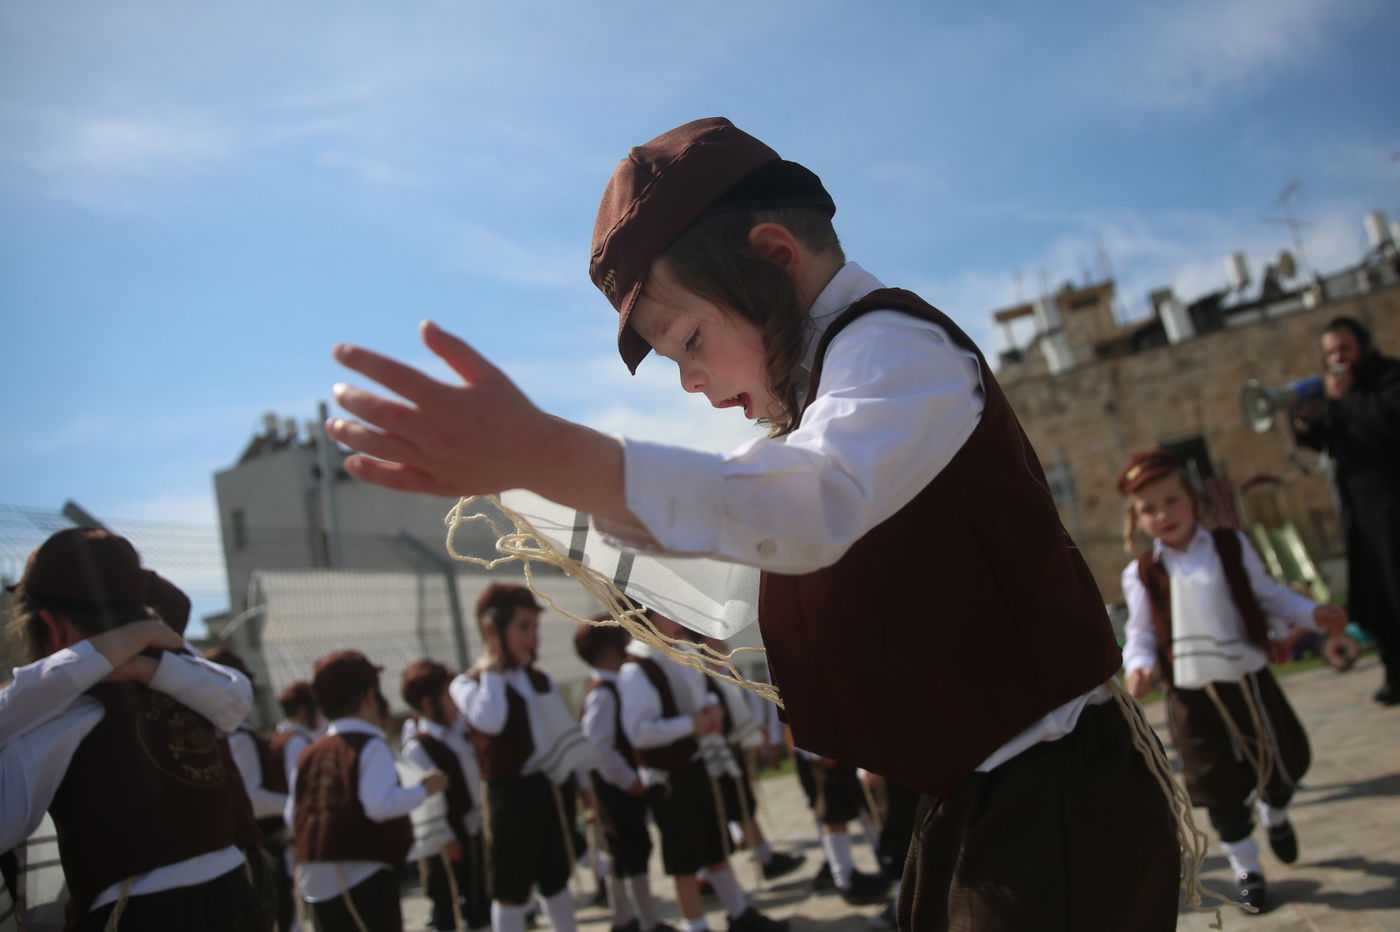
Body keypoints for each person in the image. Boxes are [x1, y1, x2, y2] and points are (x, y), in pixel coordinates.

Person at [327, 116, 1181, 929]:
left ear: (773, 260)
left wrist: (555, 454)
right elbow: (754, 549)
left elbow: (810, 502)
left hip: (1054, 788)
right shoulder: (824, 391)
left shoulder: (893, 348)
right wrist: (545, 483)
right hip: (981, 793)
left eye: (691, 339)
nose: (690, 381)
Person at [1119, 448, 1349, 910]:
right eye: (1150, 509)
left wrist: (1311, 613)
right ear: (1137, 520)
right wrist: (1138, 666)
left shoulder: (1229, 546)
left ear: (1193, 500)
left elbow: (1268, 596)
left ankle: (1276, 813)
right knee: (1217, 784)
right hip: (1191, 693)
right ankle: (1249, 871)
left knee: (1280, 761)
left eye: (1172, 501)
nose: (1164, 515)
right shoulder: (1141, 573)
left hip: (1248, 681)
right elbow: (1140, 632)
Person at [2, 527, 263, 930]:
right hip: (235, 897)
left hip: (139, 913)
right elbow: (236, 696)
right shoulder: (182, 675)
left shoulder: (59, 714)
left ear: (50, 627)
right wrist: (141, 639)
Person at [619, 609, 786, 932]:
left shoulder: (677, 652)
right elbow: (639, 731)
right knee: (685, 863)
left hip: (697, 768)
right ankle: (696, 926)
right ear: (644, 612)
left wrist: (710, 711)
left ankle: (739, 915)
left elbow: (700, 694)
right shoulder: (637, 668)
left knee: (714, 848)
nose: (675, 614)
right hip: (669, 779)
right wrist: (692, 723)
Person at [448, 584, 590, 932]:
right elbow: (490, 720)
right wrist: (493, 666)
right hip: (509, 796)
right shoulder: (468, 684)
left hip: (550, 787)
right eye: (522, 627)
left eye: (534, 627)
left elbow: (562, 737)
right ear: (491, 629)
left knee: (556, 875)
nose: (532, 637)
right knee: (510, 886)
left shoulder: (539, 679)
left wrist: (584, 787)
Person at [288, 650, 448, 932]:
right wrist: (423, 789)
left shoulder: (309, 753)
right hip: (362, 877)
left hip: (315, 882)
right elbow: (379, 804)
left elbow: (293, 815)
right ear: (370, 697)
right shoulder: (369, 745)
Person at [1293, 315, 1400, 705]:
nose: (1338, 358)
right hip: (1359, 509)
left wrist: (1346, 398)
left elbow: (1386, 421)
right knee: (1379, 596)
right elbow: (1327, 442)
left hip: (1393, 501)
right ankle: (1394, 671)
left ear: (1363, 347)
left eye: (1344, 349)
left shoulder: (1387, 378)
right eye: (1330, 353)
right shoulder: (1337, 393)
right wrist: (1307, 425)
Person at [573, 620, 668, 932]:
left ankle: (626, 919)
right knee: (631, 852)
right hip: (616, 789)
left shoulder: (613, 687)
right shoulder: (603, 693)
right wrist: (631, 780)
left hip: (619, 787)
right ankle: (642, 922)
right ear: (604, 654)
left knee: (628, 853)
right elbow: (599, 749)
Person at [205, 646, 292, 929]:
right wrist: (295, 804)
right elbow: (250, 800)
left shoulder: (218, 730)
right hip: (252, 848)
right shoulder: (237, 735)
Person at [401, 659, 490, 931]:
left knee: (480, 899)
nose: (455, 700)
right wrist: (446, 838)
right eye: (446, 694)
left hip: (474, 827)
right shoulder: (419, 747)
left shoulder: (462, 732)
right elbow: (425, 802)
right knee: (448, 901)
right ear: (428, 704)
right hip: (447, 837)